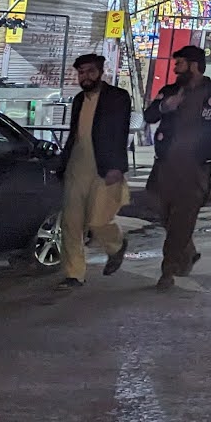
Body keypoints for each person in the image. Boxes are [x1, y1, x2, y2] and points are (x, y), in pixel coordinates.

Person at [144, 45, 211, 291]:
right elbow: (149, 116)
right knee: (161, 212)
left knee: (183, 219)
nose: (175, 68)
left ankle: (168, 270)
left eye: (179, 64)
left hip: (196, 168)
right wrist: (166, 106)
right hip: (164, 165)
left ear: (194, 65)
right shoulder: (169, 91)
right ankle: (186, 252)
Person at [56, 53, 132, 287]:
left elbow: (121, 132)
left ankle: (116, 245)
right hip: (76, 167)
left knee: (98, 221)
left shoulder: (118, 97)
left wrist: (118, 167)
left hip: (104, 168)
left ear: (100, 72)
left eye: (90, 71)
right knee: (71, 223)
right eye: (81, 73)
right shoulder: (79, 99)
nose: (85, 77)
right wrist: (61, 164)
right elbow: (74, 133)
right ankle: (74, 273)